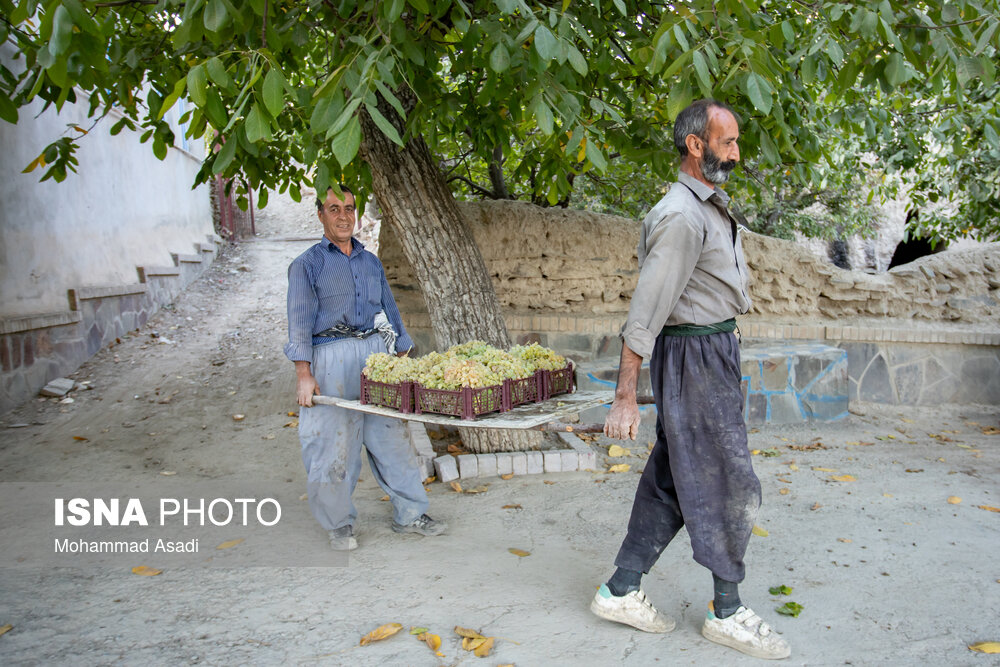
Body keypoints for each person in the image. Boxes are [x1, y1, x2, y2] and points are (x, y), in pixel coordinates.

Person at [589, 100, 790, 660]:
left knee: (673, 477)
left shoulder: (708, 207)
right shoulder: (682, 215)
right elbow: (645, 314)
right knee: (728, 479)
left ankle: (620, 589)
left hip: (710, 352)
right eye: (727, 142)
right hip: (694, 358)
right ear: (696, 145)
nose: (737, 152)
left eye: (736, 141)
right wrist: (625, 397)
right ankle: (727, 611)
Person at [284, 185, 447, 551]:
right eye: (334, 209)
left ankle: (411, 513)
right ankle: (339, 523)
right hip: (330, 358)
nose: (343, 216)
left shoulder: (370, 262)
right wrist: (303, 374)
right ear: (321, 215)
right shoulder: (307, 265)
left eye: (349, 208)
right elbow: (299, 320)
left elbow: (388, 307)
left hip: (375, 357)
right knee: (332, 444)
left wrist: (401, 353)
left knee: (392, 437)